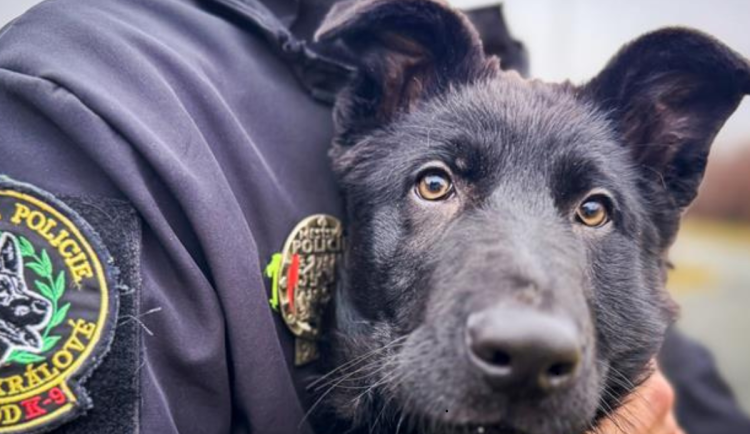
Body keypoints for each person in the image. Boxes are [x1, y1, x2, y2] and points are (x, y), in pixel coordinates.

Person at [0, 0, 748, 433]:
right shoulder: (104, 92)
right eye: (437, 185)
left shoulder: (521, 79)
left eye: (590, 208)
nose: (532, 320)